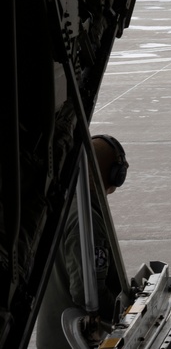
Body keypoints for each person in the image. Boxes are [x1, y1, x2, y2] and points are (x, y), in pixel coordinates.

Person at [37, 135, 129, 348]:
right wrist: (125, 313)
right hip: (73, 340)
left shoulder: (66, 203)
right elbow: (87, 293)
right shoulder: (86, 219)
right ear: (115, 174)